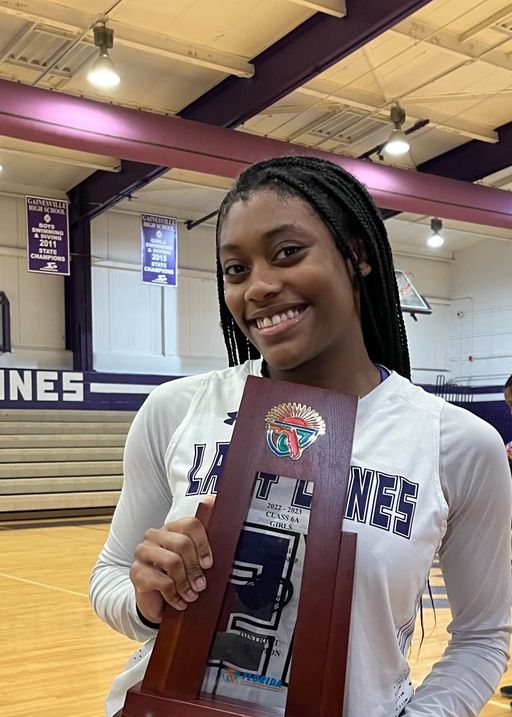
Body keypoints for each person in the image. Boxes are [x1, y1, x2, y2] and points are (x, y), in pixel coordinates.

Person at [90, 156, 511, 717]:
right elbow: (110, 577)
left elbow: (484, 637)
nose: (259, 286)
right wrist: (144, 599)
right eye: (235, 269)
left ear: (356, 255)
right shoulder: (177, 409)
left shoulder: (456, 442)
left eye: (287, 252)